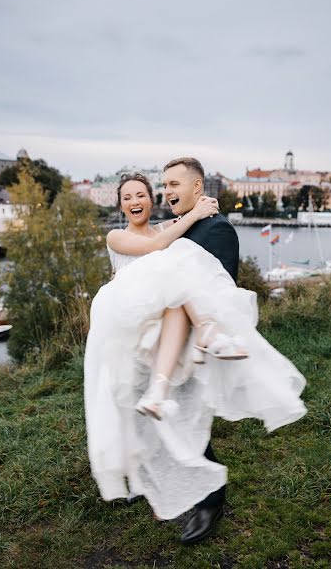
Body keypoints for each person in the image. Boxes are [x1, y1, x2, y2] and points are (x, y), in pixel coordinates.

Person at [84, 160, 307, 543]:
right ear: (121, 205)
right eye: (164, 185)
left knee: (185, 417)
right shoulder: (163, 230)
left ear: (196, 186)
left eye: (171, 185)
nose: (166, 192)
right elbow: (155, 255)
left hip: (179, 339)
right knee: (134, 407)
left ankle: (210, 499)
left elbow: (219, 286)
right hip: (135, 334)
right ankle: (148, 482)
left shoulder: (211, 228)